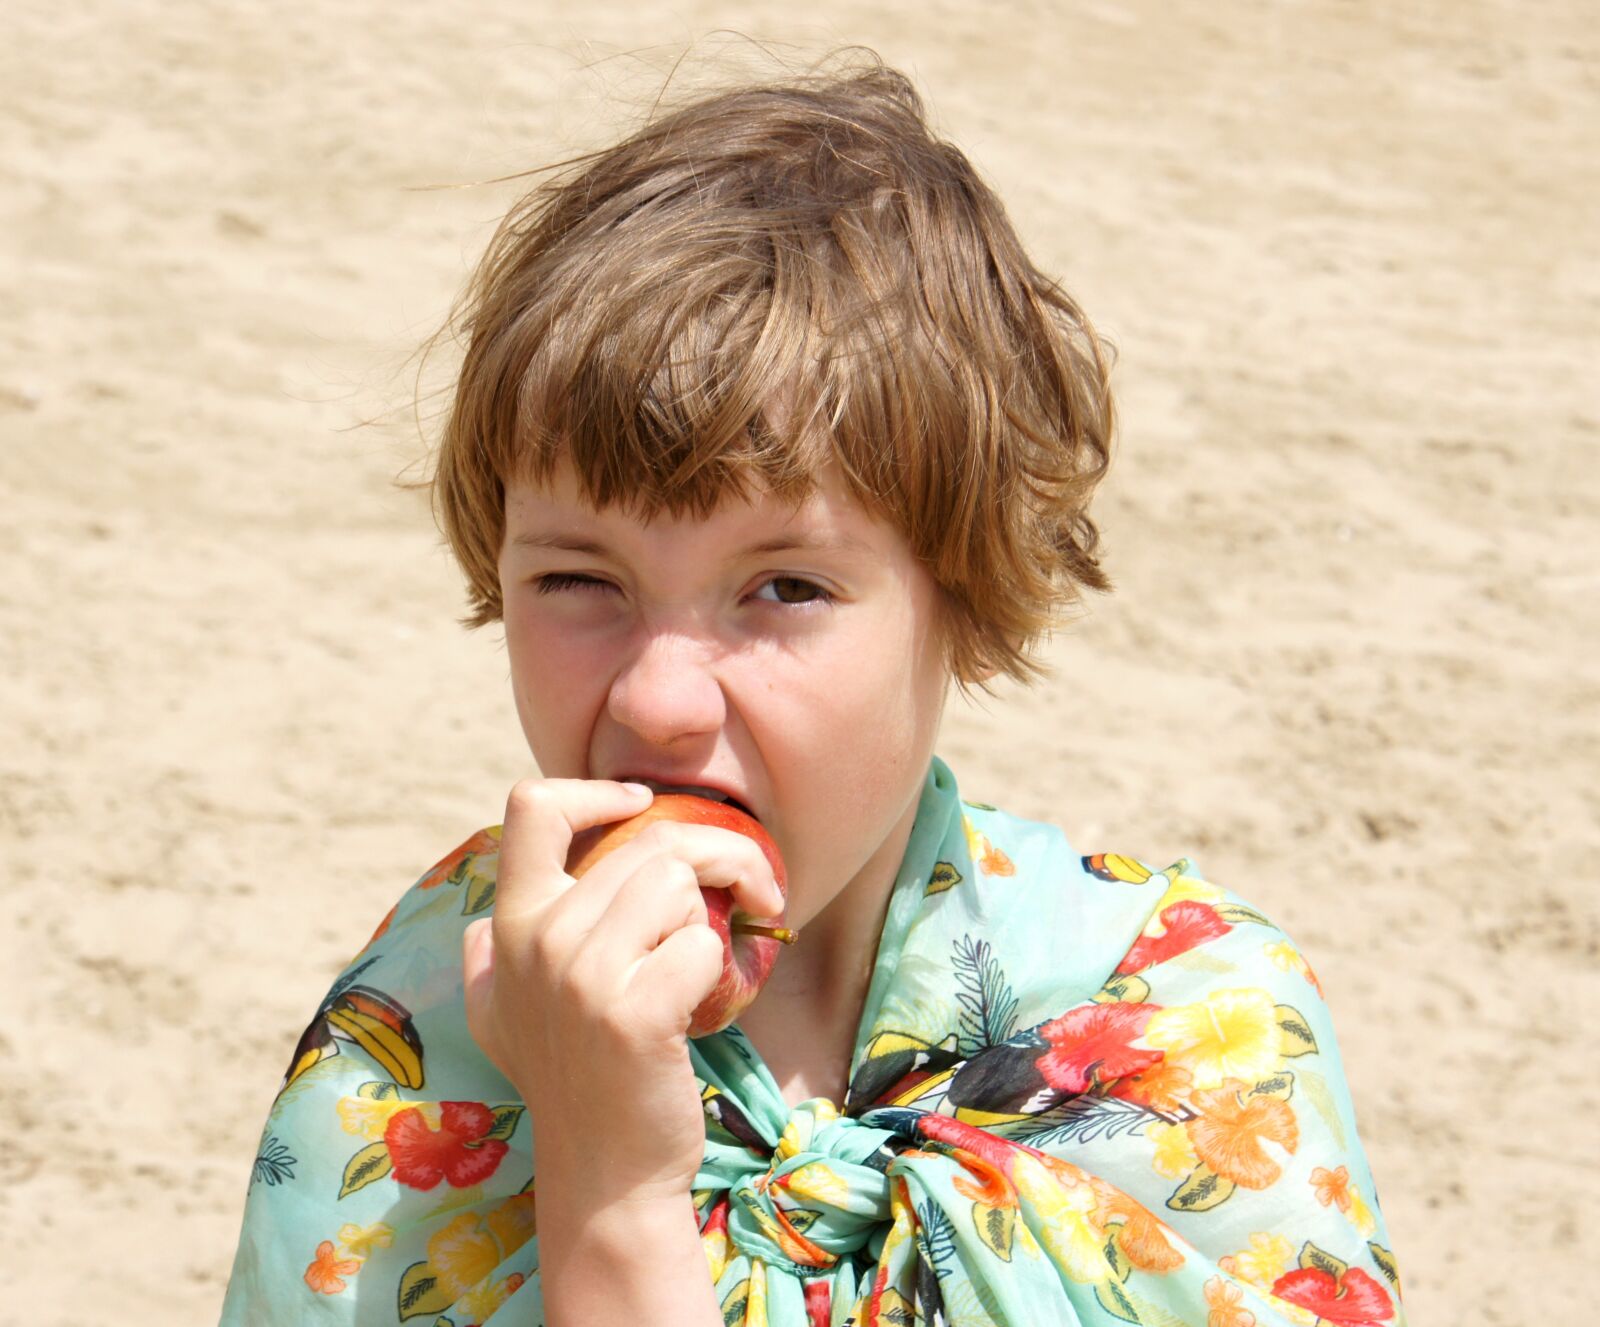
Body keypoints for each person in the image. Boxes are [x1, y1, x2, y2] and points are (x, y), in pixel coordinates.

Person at [221, 54, 1406, 1327]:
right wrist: (593, 1159)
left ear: (964, 592)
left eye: (783, 588)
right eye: (579, 578)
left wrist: (619, 1202)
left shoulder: (1198, 1028)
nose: (661, 696)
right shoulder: (420, 1037)